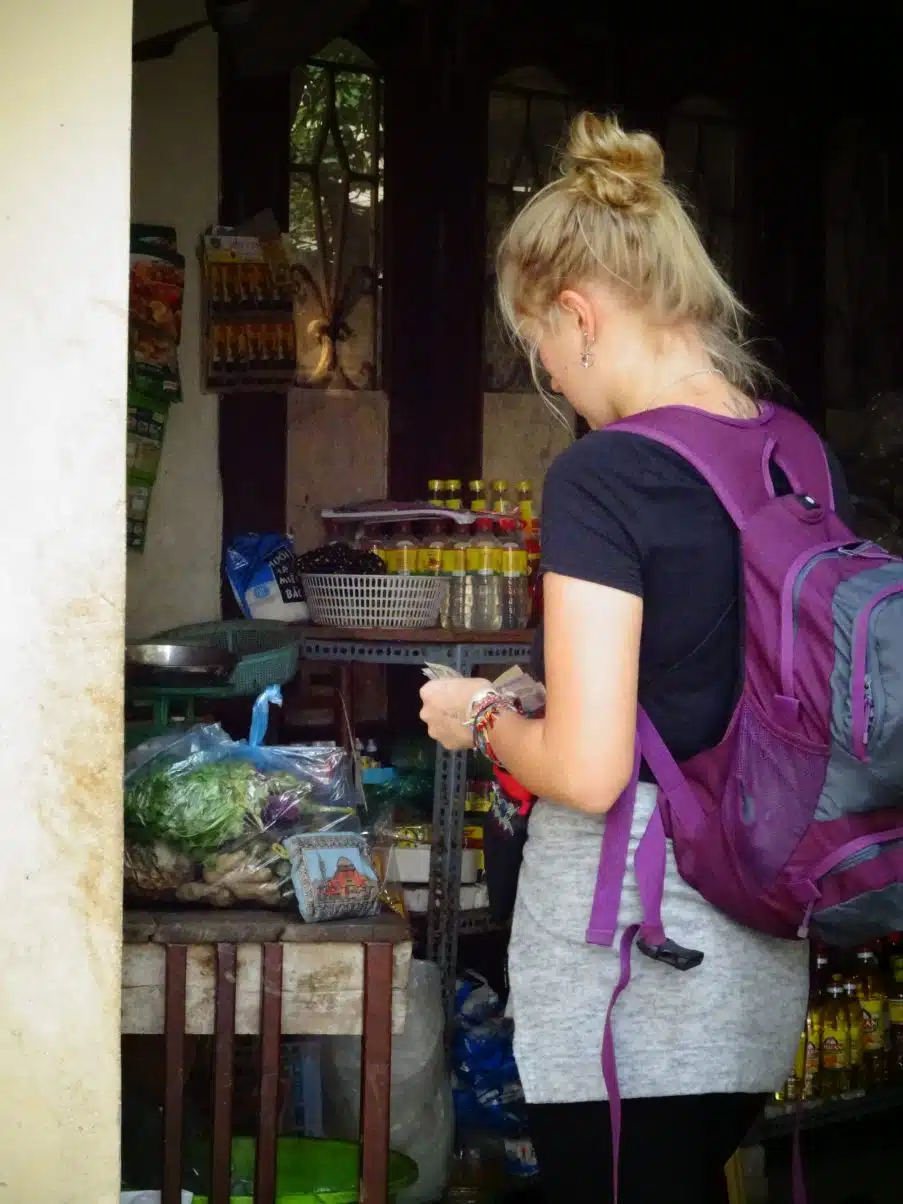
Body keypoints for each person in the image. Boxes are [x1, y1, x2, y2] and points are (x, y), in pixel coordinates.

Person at [419, 112, 853, 1204]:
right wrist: (552, 692)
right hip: (756, 959)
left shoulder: (604, 475)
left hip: (634, 972)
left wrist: (478, 713)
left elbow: (592, 770)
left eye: (543, 352)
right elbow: (719, 684)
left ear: (579, 314)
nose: (554, 380)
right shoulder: (791, 450)